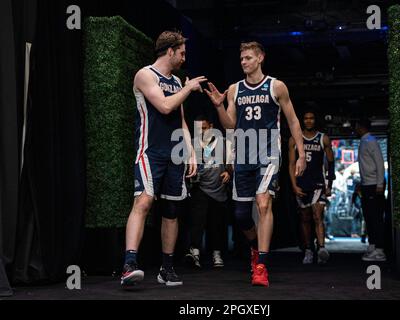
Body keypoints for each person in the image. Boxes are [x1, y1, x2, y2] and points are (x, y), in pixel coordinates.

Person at [205, 41, 306, 287]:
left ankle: (261, 265)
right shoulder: (234, 89)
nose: (244, 62)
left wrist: (301, 154)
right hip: (243, 157)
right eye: (241, 59)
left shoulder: (276, 86)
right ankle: (254, 248)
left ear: (260, 58)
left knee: (263, 203)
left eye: (248, 58)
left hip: (269, 154)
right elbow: (229, 125)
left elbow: (292, 121)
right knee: (241, 216)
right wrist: (218, 106)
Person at [120, 31, 207, 287]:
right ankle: (129, 264)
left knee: (171, 211)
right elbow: (165, 106)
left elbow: (180, 119)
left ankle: (166, 268)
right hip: (150, 151)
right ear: (170, 51)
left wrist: (190, 151)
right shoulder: (145, 74)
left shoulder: (178, 82)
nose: (183, 58)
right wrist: (189, 88)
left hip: (174, 155)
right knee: (144, 202)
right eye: (181, 53)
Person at [288, 110, 335, 265]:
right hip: (302, 184)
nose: (308, 121)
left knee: (317, 216)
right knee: (305, 219)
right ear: (302, 120)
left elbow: (331, 163)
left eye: (311, 118)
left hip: (318, 184)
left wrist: (329, 185)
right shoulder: (295, 139)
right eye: (306, 118)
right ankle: (308, 249)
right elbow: (291, 164)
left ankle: (321, 248)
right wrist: (294, 185)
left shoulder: (323, 138)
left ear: (315, 120)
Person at [185, 115, 232, 268]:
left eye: (204, 128)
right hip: (200, 188)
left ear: (211, 127)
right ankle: (195, 252)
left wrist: (229, 173)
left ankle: (216, 253)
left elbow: (231, 163)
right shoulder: (192, 144)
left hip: (219, 190)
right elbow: (186, 166)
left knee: (216, 223)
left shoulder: (223, 143)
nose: (202, 132)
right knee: (197, 221)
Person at [354, 118, 386, 262]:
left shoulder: (371, 141)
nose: (355, 129)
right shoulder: (364, 141)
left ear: (361, 127)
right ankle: (373, 246)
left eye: (356, 126)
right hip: (367, 185)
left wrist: (379, 184)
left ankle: (379, 251)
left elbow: (379, 163)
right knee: (369, 217)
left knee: (376, 218)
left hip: (374, 186)